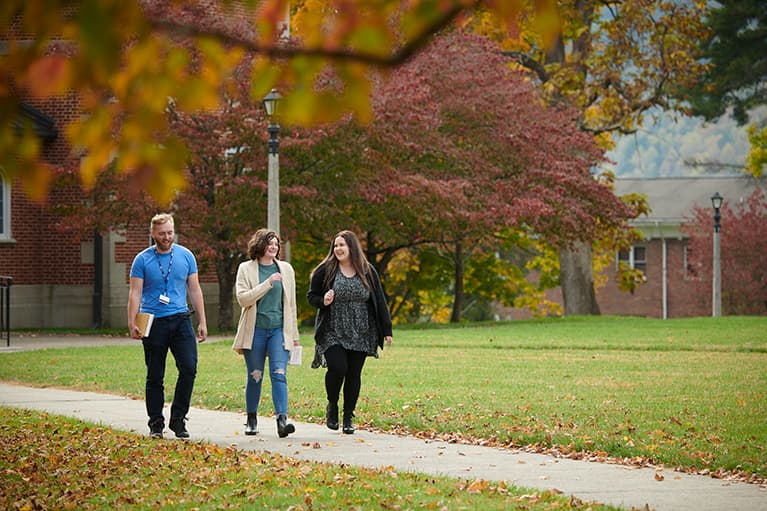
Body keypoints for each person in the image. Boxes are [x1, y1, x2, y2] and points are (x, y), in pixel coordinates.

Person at [127, 213, 208, 439]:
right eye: (162, 233)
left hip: (181, 319)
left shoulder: (186, 256)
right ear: (153, 234)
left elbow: (194, 289)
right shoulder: (142, 260)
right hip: (152, 321)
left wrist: (202, 320)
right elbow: (135, 293)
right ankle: (156, 423)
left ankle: (178, 419)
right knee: (155, 375)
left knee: (189, 368)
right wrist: (132, 321)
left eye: (170, 232)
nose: (167, 237)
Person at [307, 230, 393, 434]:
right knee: (338, 367)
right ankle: (332, 406)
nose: (338, 249)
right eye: (335, 245)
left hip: (361, 329)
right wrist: (323, 300)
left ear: (351, 247)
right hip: (332, 328)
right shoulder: (325, 270)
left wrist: (387, 329)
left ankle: (348, 417)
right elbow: (312, 296)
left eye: (342, 245)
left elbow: (379, 300)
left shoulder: (367, 270)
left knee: (354, 373)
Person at [232, 229, 300, 438]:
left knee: (279, 374)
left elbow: (291, 305)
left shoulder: (286, 269)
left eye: (276, 244)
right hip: (255, 330)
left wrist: (295, 337)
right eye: (270, 243)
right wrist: (267, 283)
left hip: (279, 330)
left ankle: (282, 421)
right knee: (255, 376)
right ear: (260, 245)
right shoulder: (246, 269)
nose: (274, 247)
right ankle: (251, 419)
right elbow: (243, 299)